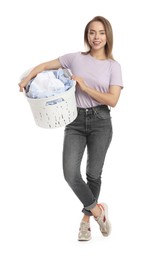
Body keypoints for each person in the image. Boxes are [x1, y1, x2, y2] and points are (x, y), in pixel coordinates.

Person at [19, 16, 123, 241]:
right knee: (70, 174)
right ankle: (98, 211)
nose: (96, 37)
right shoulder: (75, 58)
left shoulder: (113, 66)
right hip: (74, 121)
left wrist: (84, 87)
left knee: (93, 174)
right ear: (87, 35)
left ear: (108, 36)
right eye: (92, 32)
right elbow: (46, 66)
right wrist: (27, 79)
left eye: (101, 33)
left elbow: (113, 100)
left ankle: (85, 222)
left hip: (101, 121)